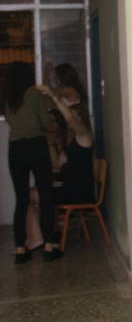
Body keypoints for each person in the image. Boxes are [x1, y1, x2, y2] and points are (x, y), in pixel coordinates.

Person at [1, 61, 63, 263]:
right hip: (36, 146)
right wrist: (54, 125)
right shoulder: (34, 95)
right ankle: (49, 245)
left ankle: (20, 248)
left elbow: (11, 121)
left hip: (15, 148)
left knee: (21, 199)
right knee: (46, 195)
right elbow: (46, 123)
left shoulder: (7, 97)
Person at [36, 70, 95, 205]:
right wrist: (51, 143)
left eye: (73, 115)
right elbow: (57, 165)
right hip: (68, 188)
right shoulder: (70, 140)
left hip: (79, 193)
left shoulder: (84, 135)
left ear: (80, 118)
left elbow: (69, 118)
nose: (69, 118)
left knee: (31, 197)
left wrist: (54, 96)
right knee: (31, 195)